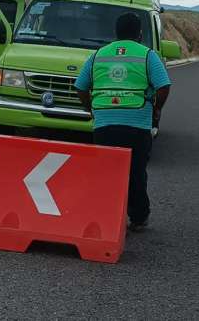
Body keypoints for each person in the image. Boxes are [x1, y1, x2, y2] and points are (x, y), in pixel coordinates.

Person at [75, 12, 171, 232]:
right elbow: (164, 85)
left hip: (105, 124)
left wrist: (92, 108)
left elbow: (80, 86)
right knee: (136, 172)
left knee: (106, 172)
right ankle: (138, 217)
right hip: (137, 124)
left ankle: (104, 215)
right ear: (139, 34)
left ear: (115, 33)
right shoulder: (148, 55)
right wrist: (156, 109)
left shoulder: (99, 55)